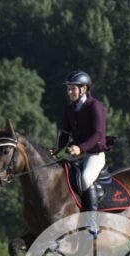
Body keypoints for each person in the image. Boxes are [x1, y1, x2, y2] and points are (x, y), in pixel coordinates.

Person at [52, 70, 108, 225]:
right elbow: (65, 132)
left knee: (85, 178)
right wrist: (58, 149)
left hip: (94, 154)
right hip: (76, 153)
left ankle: (91, 221)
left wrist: (80, 148)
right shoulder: (70, 109)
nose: (69, 92)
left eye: (73, 89)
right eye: (68, 89)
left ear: (83, 89)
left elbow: (98, 134)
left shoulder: (95, 106)